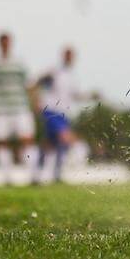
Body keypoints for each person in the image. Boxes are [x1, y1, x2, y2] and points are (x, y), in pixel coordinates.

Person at [0, 32, 39, 184]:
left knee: (27, 140)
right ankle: (6, 177)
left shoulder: (19, 63)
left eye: (7, 42)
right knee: (2, 142)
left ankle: (33, 176)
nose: (5, 45)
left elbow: (28, 84)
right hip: (0, 109)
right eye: (3, 42)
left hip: (20, 107)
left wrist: (34, 101)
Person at [37, 46, 84, 183]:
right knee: (65, 138)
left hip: (64, 113)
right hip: (51, 110)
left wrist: (90, 96)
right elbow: (39, 81)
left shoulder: (73, 76)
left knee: (51, 144)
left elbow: (75, 95)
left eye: (71, 55)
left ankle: (42, 173)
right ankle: (54, 174)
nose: (69, 58)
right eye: (67, 55)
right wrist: (36, 99)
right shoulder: (55, 71)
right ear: (63, 56)